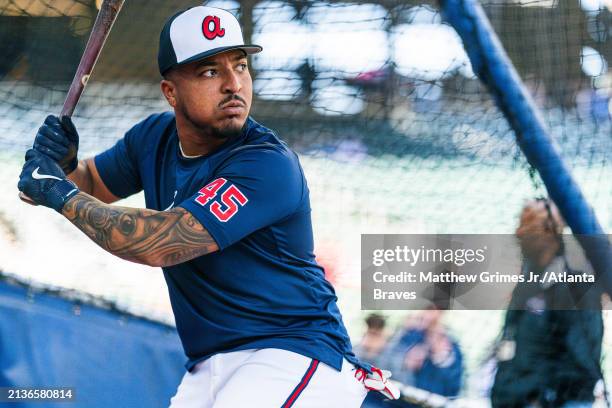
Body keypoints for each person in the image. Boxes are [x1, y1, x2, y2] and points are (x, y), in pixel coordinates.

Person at [17, 6, 398, 407]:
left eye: (240, 65)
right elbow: (90, 185)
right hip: (210, 364)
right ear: (171, 92)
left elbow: (159, 243)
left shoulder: (266, 163)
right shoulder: (153, 137)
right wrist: (64, 168)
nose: (234, 84)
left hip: (293, 354)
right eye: (210, 72)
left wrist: (58, 192)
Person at [491, 199, 605, 408]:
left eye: (526, 226)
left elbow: (581, 364)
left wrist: (541, 399)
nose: (518, 233)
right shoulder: (528, 283)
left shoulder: (576, 288)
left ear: (547, 232)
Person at [380, 308, 463, 405]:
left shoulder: (451, 346)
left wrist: (441, 358)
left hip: (434, 403)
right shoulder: (408, 335)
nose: (430, 314)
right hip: (401, 402)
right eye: (428, 308)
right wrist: (405, 363)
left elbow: (453, 388)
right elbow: (385, 368)